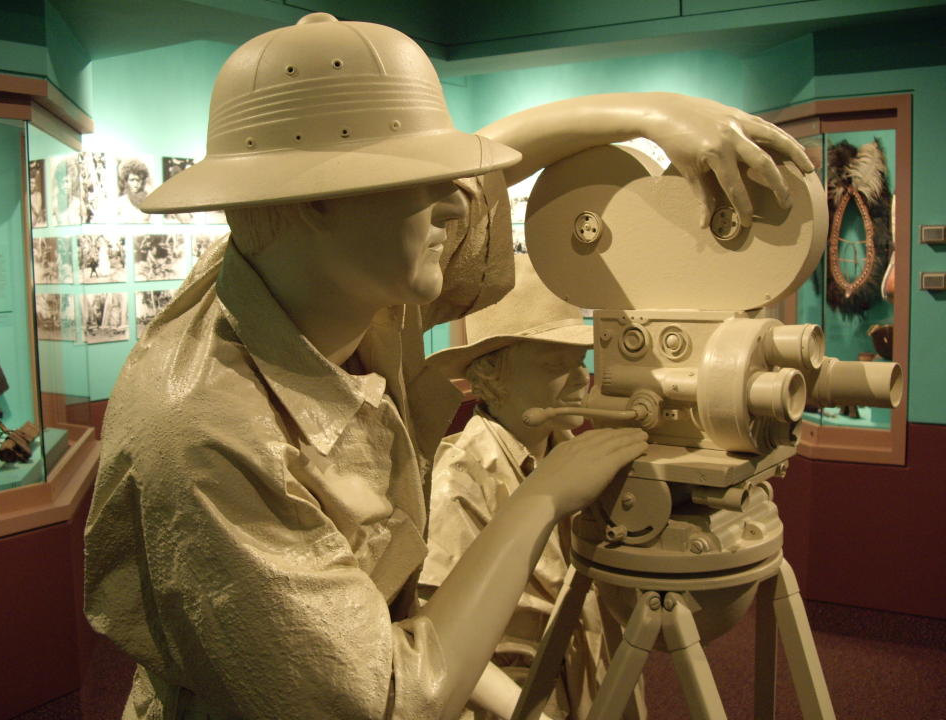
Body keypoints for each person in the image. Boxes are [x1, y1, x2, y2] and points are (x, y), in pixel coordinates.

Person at [83, 12, 812, 720]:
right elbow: (387, 697)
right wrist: (540, 500)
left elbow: (492, 157)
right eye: (420, 178)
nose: (457, 201)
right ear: (311, 199)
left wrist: (654, 114)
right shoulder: (206, 438)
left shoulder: (316, 273)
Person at [423, 255, 615, 719]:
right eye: (555, 363)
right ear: (492, 378)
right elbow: (434, 636)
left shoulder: (574, 457)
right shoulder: (462, 480)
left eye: (581, 361)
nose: (581, 378)